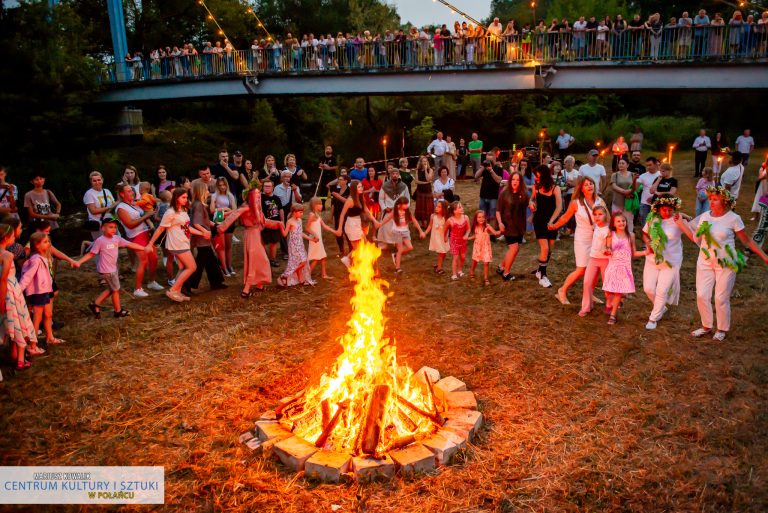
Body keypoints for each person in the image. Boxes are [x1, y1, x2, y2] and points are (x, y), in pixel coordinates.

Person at [689, 186, 768, 340]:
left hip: (726, 263)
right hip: (705, 261)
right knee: (702, 295)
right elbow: (696, 239)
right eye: (710, 199)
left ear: (725, 201)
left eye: (715, 199)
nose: (711, 201)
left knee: (720, 298)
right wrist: (696, 230)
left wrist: (764, 255)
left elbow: (746, 240)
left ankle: (722, 328)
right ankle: (706, 326)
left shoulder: (733, 218)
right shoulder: (705, 216)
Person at [548, 177, 606, 304]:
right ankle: (562, 290)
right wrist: (554, 226)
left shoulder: (600, 201)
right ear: (581, 188)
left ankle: (589, 294)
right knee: (581, 269)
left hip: (597, 239)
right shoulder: (576, 202)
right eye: (586, 185)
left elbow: (608, 218)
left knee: (595, 268)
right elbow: (565, 217)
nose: (590, 186)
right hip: (582, 239)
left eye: (591, 183)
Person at [641, 195, 694, 330]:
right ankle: (661, 307)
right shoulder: (652, 219)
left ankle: (653, 318)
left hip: (671, 261)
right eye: (664, 210)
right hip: (653, 260)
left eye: (670, 210)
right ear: (658, 209)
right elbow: (644, 234)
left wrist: (684, 220)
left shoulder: (677, 220)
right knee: (648, 288)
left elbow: (693, 236)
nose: (667, 213)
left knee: (662, 290)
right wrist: (648, 244)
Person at [78, 218, 146, 319]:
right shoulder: (100, 241)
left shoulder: (117, 239)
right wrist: (79, 262)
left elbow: (131, 244)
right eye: (110, 227)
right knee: (115, 290)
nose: (113, 229)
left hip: (113, 269)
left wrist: (144, 248)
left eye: (115, 227)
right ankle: (117, 311)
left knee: (111, 289)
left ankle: (95, 304)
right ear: (103, 228)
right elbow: (91, 254)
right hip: (106, 270)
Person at [146, 188, 207, 302]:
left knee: (182, 267)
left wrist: (202, 233)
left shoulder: (183, 210)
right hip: (177, 244)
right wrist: (150, 243)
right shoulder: (170, 212)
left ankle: (177, 292)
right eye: (183, 197)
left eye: (186, 197)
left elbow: (187, 228)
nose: (186, 199)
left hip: (183, 242)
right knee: (192, 267)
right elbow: (160, 229)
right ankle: (173, 290)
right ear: (176, 198)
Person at [114, 184, 163, 297]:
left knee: (154, 258)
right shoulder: (121, 208)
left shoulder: (135, 204)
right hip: (135, 236)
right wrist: (147, 216)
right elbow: (130, 224)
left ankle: (151, 282)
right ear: (122, 194)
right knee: (143, 261)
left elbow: (145, 212)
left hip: (145, 233)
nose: (132, 192)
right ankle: (137, 288)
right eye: (129, 191)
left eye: (132, 190)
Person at [0, 223, 38, 370]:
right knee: (19, 322)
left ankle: (14, 353)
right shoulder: (7, 255)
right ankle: (21, 360)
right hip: (10, 291)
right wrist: (2, 300)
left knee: (10, 323)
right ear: (7, 237)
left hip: (5, 289)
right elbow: (3, 279)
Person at [19, 232, 63, 346]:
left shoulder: (43, 257)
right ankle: (33, 344)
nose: (48, 243)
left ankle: (50, 337)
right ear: (36, 245)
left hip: (46, 291)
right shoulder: (36, 260)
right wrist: (18, 290)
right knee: (37, 318)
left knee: (48, 315)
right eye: (45, 242)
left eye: (48, 241)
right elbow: (27, 276)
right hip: (38, 292)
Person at [602, 212, 647, 324]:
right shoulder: (610, 234)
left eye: (623, 221)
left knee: (617, 291)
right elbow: (607, 248)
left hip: (624, 267)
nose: (621, 223)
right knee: (608, 292)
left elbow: (634, 253)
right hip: (613, 266)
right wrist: (608, 251)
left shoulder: (630, 235)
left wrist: (646, 252)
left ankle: (613, 315)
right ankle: (617, 298)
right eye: (618, 221)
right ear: (614, 223)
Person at [185, 182, 226, 295]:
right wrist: (205, 232)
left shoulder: (199, 204)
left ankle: (216, 282)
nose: (208, 191)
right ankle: (187, 285)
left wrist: (214, 225)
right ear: (201, 191)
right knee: (200, 263)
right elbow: (197, 223)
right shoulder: (198, 205)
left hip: (204, 237)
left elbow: (205, 220)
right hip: (202, 238)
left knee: (210, 260)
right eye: (206, 189)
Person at [530, 165, 562, 288]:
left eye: (537, 175)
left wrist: (552, 221)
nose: (535, 178)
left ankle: (539, 270)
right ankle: (543, 276)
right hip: (539, 220)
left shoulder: (555, 188)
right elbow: (531, 199)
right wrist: (531, 203)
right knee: (545, 248)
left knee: (550, 249)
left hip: (552, 221)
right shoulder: (536, 187)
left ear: (543, 176)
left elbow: (559, 207)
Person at [578, 205, 611, 317]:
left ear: (606, 215)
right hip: (593, 259)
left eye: (600, 214)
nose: (597, 217)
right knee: (587, 282)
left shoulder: (609, 230)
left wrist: (607, 249)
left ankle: (610, 304)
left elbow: (609, 246)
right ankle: (586, 306)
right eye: (595, 214)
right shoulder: (595, 226)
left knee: (607, 284)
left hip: (605, 260)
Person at [378, 196, 425, 273]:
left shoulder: (407, 212)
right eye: (405, 204)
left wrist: (420, 231)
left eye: (407, 204)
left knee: (410, 247)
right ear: (399, 205)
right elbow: (387, 219)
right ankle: (398, 268)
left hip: (405, 232)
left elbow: (415, 221)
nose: (407, 205)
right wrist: (380, 224)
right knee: (399, 249)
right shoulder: (395, 212)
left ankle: (396, 255)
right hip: (397, 232)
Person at [333, 180, 373, 268]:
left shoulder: (361, 198)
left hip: (358, 223)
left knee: (363, 245)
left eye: (361, 186)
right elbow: (342, 214)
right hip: (351, 225)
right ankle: (352, 262)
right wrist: (339, 229)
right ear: (354, 189)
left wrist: (375, 221)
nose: (361, 188)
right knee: (359, 248)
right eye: (359, 187)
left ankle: (349, 260)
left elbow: (366, 210)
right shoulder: (350, 200)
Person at [496, 172, 528, 281]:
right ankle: (506, 273)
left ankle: (501, 267)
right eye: (513, 179)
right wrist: (500, 223)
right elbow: (498, 211)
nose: (515, 182)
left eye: (518, 180)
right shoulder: (504, 193)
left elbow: (529, 203)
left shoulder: (523, 193)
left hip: (519, 226)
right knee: (514, 248)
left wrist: (532, 205)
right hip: (507, 225)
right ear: (510, 181)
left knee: (515, 249)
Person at [277, 203, 314, 287]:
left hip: (300, 243)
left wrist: (310, 239)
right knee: (303, 261)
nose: (302, 214)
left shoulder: (299, 221)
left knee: (300, 261)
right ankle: (285, 276)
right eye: (300, 212)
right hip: (294, 245)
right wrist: (280, 226)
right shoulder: (290, 221)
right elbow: (285, 234)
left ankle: (300, 279)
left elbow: (300, 233)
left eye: (302, 212)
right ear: (294, 212)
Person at [210, 177, 237, 276]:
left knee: (229, 245)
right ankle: (224, 266)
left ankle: (229, 266)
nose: (222, 187)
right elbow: (212, 210)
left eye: (224, 185)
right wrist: (225, 209)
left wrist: (225, 210)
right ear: (217, 186)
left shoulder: (230, 195)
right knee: (221, 246)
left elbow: (234, 209)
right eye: (220, 185)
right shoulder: (214, 196)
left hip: (229, 221)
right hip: (219, 221)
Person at [24, 170, 61, 240]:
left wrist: (57, 213)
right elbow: (31, 214)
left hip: (51, 225)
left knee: (53, 245)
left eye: (41, 179)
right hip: (37, 226)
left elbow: (58, 204)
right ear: (32, 182)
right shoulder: (28, 195)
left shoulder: (48, 192)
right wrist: (49, 217)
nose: (39, 181)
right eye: (36, 179)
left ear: (44, 179)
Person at [467, 210, 500, 286]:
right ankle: (472, 272)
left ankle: (486, 278)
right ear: (476, 219)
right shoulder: (475, 227)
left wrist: (500, 231)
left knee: (486, 263)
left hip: (486, 247)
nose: (481, 219)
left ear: (485, 218)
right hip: (477, 247)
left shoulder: (487, 226)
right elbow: (475, 236)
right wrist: (468, 238)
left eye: (483, 217)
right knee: (475, 261)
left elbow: (495, 233)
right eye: (479, 217)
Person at [83, 171, 115, 241]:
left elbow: (113, 204)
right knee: (101, 245)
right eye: (94, 181)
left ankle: (87, 244)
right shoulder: (89, 194)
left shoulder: (107, 191)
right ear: (91, 182)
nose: (97, 182)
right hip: (98, 223)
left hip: (110, 221)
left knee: (114, 242)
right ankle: (87, 245)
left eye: (99, 180)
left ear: (102, 180)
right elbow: (93, 211)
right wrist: (108, 208)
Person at [260, 180, 283, 267]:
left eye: (268, 186)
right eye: (265, 186)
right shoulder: (260, 197)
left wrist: (282, 221)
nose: (266, 188)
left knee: (274, 243)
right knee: (264, 243)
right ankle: (266, 260)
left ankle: (273, 259)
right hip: (264, 223)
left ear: (273, 187)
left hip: (275, 223)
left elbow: (280, 210)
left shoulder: (276, 198)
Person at [475, 159, 503, 232]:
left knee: (493, 215)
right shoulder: (484, 169)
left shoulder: (498, 169)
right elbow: (476, 176)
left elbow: (499, 180)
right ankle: (482, 230)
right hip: (483, 195)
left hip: (493, 196)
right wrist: (482, 168)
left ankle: (492, 233)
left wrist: (491, 171)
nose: (488, 164)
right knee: (482, 215)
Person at [610, 158, 637, 232]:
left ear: (627, 165)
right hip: (617, 201)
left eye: (623, 163)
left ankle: (629, 235)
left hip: (628, 202)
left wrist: (631, 189)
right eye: (619, 163)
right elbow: (613, 186)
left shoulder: (632, 174)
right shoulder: (615, 175)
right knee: (616, 219)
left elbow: (635, 187)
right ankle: (616, 235)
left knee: (629, 220)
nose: (620, 165)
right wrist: (624, 191)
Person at [307, 197, 330, 280]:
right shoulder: (312, 215)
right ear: (314, 205)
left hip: (319, 240)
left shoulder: (317, 215)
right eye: (319, 204)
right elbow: (307, 228)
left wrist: (335, 231)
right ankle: (306, 275)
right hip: (315, 240)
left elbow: (324, 226)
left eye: (321, 204)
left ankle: (324, 274)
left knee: (323, 256)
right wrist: (315, 235)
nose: (321, 206)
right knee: (316, 259)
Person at [445, 201, 470, 280]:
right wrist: (444, 237)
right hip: (454, 241)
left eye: (461, 206)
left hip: (463, 241)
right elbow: (445, 229)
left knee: (462, 257)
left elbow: (468, 229)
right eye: (460, 207)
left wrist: (466, 235)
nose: (462, 208)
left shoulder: (466, 217)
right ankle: (454, 274)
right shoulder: (450, 220)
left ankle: (460, 271)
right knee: (455, 257)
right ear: (454, 211)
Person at [425, 199, 450, 275]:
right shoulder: (433, 216)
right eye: (436, 206)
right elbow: (430, 225)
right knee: (441, 253)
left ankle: (438, 264)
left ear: (444, 209)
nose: (436, 208)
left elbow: (447, 228)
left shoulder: (445, 218)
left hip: (443, 237)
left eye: (439, 207)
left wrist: (446, 236)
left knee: (444, 252)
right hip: (436, 237)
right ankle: (439, 269)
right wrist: (425, 232)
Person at [636, 157, 661, 228]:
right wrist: (634, 179)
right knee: (645, 223)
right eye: (647, 165)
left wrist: (654, 197)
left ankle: (655, 238)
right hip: (644, 204)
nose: (648, 167)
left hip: (657, 203)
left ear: (656, 164)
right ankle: (645, 237)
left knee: (656, 223)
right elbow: (635, 189)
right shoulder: (643, 176)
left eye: (650, 165)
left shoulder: (661, 175)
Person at [414, 156, 434, 229]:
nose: (424, 162)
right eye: (423, 161)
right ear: (421, 162)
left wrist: (425, 170)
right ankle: (423, 223)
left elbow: (428, 178)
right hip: (420, 191)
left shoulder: (430, 170)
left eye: (426, 161)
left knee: (428, 207)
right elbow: (416, 181)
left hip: (427, 191)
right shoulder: (417, 170)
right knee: (421, 207)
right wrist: (425, 183)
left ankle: (429, 223)